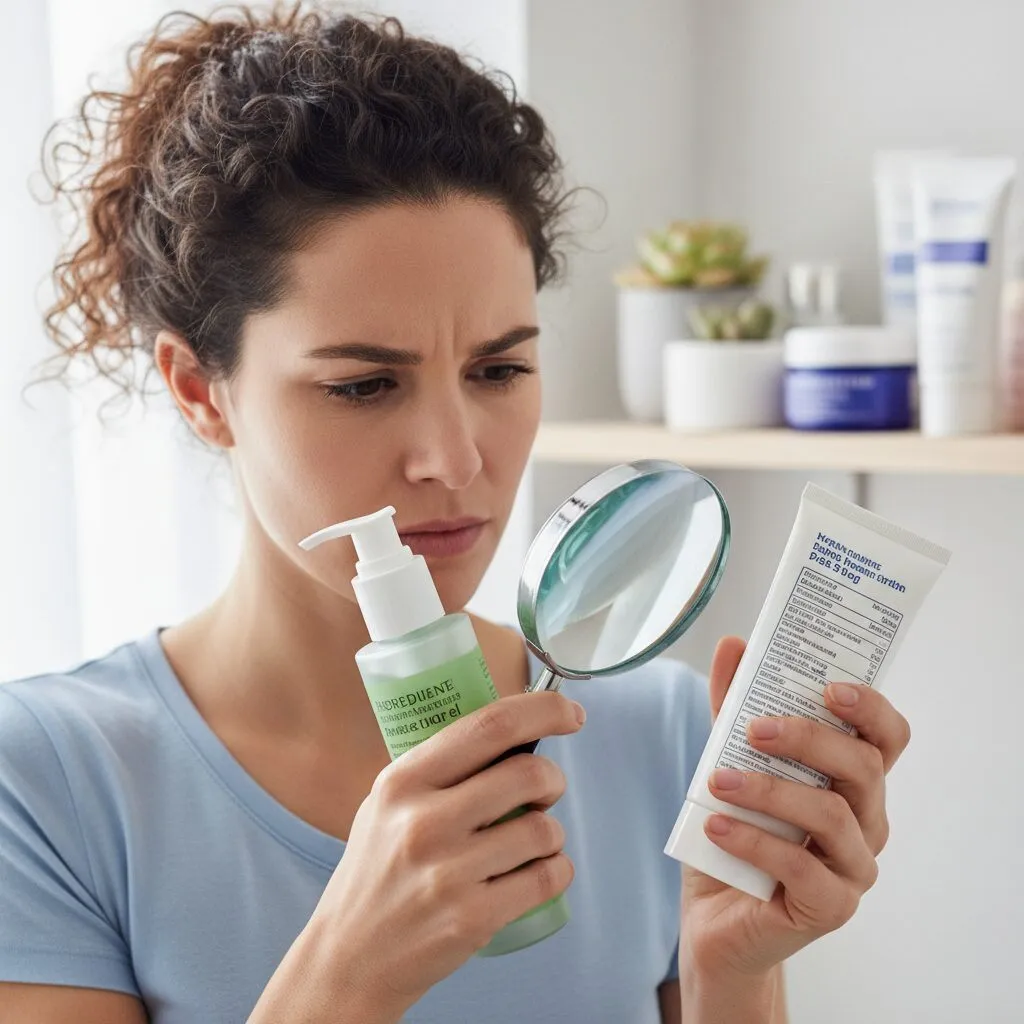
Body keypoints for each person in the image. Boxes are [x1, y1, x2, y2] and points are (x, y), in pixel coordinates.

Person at [0, 7, 911, 1022]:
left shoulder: (659, 735)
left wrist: (732, 974)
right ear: (199, 390)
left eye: (499, 368)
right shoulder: (43, 782)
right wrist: (346, 973)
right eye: (361, 386)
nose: (457, 457)